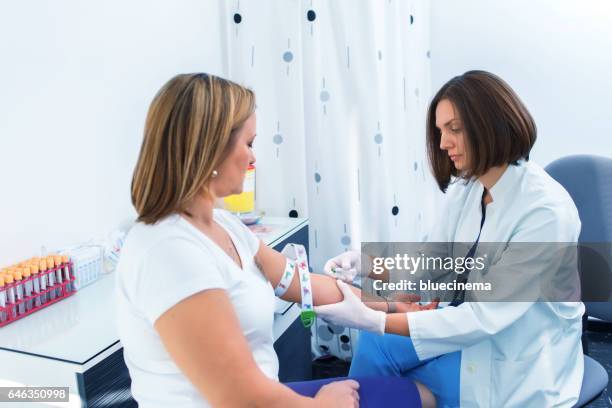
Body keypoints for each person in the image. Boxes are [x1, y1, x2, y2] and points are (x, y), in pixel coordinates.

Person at [115, 73, 434, 408]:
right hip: (253, 400)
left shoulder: (224, 225)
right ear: (209, 147)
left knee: (420, 396)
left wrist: (393, 306)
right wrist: (323, 405)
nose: (254, 159)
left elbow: (303, 284)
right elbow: (240, 397)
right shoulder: (169, 253)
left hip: (265, 393)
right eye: (249, 144)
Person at [317, 70, 584, 407]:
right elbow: (432, 261)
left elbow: (485, 317)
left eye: (454, 129)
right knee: (374, 344)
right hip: (466, 334)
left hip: (513, 359)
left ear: (491, 124)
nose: (443, 143)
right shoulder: (471, 188)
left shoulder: (546, 213)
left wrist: (375, 316)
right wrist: (368, 264)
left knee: (384, 376)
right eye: (441, 131)